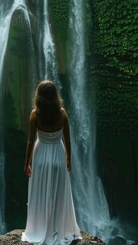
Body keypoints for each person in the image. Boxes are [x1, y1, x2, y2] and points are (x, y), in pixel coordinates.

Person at [21, 80, 81, 244]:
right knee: (58, 195)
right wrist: (68, 158)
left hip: (40, 158)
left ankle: (38, 228)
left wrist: (27, 163)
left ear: (38, 96)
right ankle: (57, 229)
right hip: (58, 156)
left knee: (40, 193)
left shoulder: (34, 114)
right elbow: (67, 140)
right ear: (55, 96)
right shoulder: (62, 114)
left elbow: (30, 142)